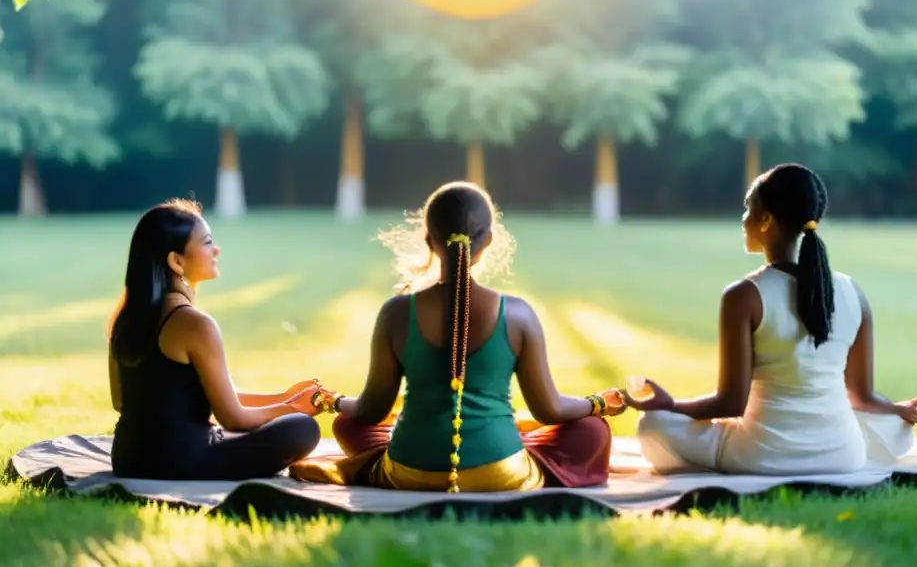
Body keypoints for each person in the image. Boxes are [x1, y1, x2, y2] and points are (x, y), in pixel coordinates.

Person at [626, 164, 917, 475]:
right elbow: (862, 396)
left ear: (766, 221)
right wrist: (899, 410)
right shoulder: (853, 292)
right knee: (887, 426)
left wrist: (669, 404)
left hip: (762, 456)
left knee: (652, 425)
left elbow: (731, 404)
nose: (743, 218)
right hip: (844, 455)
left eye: (749, 208)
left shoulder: (743, 295)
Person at [318, 181, 625, 492]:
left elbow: (372, 411)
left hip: (409, 470)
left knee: (348, 423)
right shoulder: (517, 315)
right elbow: (550, 410)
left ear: (429, 239)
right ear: (488, 240)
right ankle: (511, 437)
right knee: (591, 430)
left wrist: (333, 402)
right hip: (499, 472)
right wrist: (598, 403)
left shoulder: (396, 314)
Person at [108, 199, 326, 480]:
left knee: (291, 422)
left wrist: (285, 397)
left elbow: (120, 401)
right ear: (176, 261)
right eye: (208, 242)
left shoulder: (125, 319)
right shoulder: (195, 325)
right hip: (179, 462)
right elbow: (233, 417)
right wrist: (294, 409)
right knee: (302, 428)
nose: (217, 250)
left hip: (127, 460)